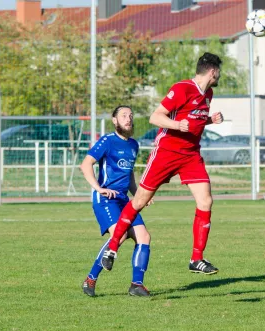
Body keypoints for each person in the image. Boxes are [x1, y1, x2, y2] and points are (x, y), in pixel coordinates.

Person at [101, 52, 224, 275]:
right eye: (218, 72)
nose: (218, 76)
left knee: (206, 201)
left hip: (190, 156)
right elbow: (155, 117)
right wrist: (178, 126)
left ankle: (196, 259)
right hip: (166, 152)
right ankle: (112, 248)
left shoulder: (209, 93)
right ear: (212, 71)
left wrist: (209, 120)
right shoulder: (182, 88)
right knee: (139, 200)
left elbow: (193, 120)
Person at [80, 105, 153, 298]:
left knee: (143, 236)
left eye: (130, 115)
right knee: (119, 237)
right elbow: (85, 164)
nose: (128, 119)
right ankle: (90, 279)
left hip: (124, 200)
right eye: (123, 116)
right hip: (106, 199)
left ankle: (136, 285)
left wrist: (140, 195)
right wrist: (99, 188)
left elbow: (128, 176)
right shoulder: (107, 141)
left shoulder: (133, 145)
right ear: (114, 120)